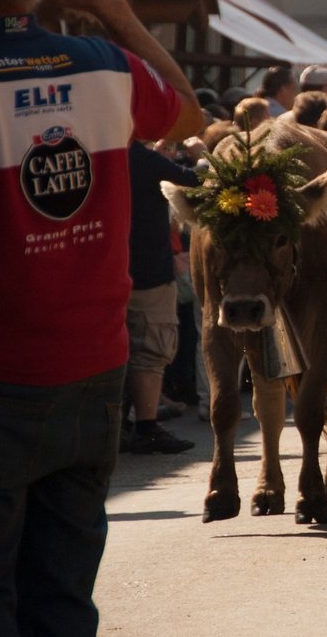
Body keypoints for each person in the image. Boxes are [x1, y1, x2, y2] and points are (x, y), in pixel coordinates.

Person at [0, 0, 203, 634]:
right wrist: (116, 10)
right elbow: (189, 114)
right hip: (94, 366)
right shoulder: (102, 64)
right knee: (63, 592)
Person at [124, 141, 199, 453]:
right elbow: (195, 181)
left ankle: (117, 428)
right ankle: (146, 428)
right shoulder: (142, 158)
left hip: (104, 271)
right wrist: (201, 159)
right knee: (151, 353)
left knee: (115, 356)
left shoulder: (94, 150)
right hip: (148, 273)